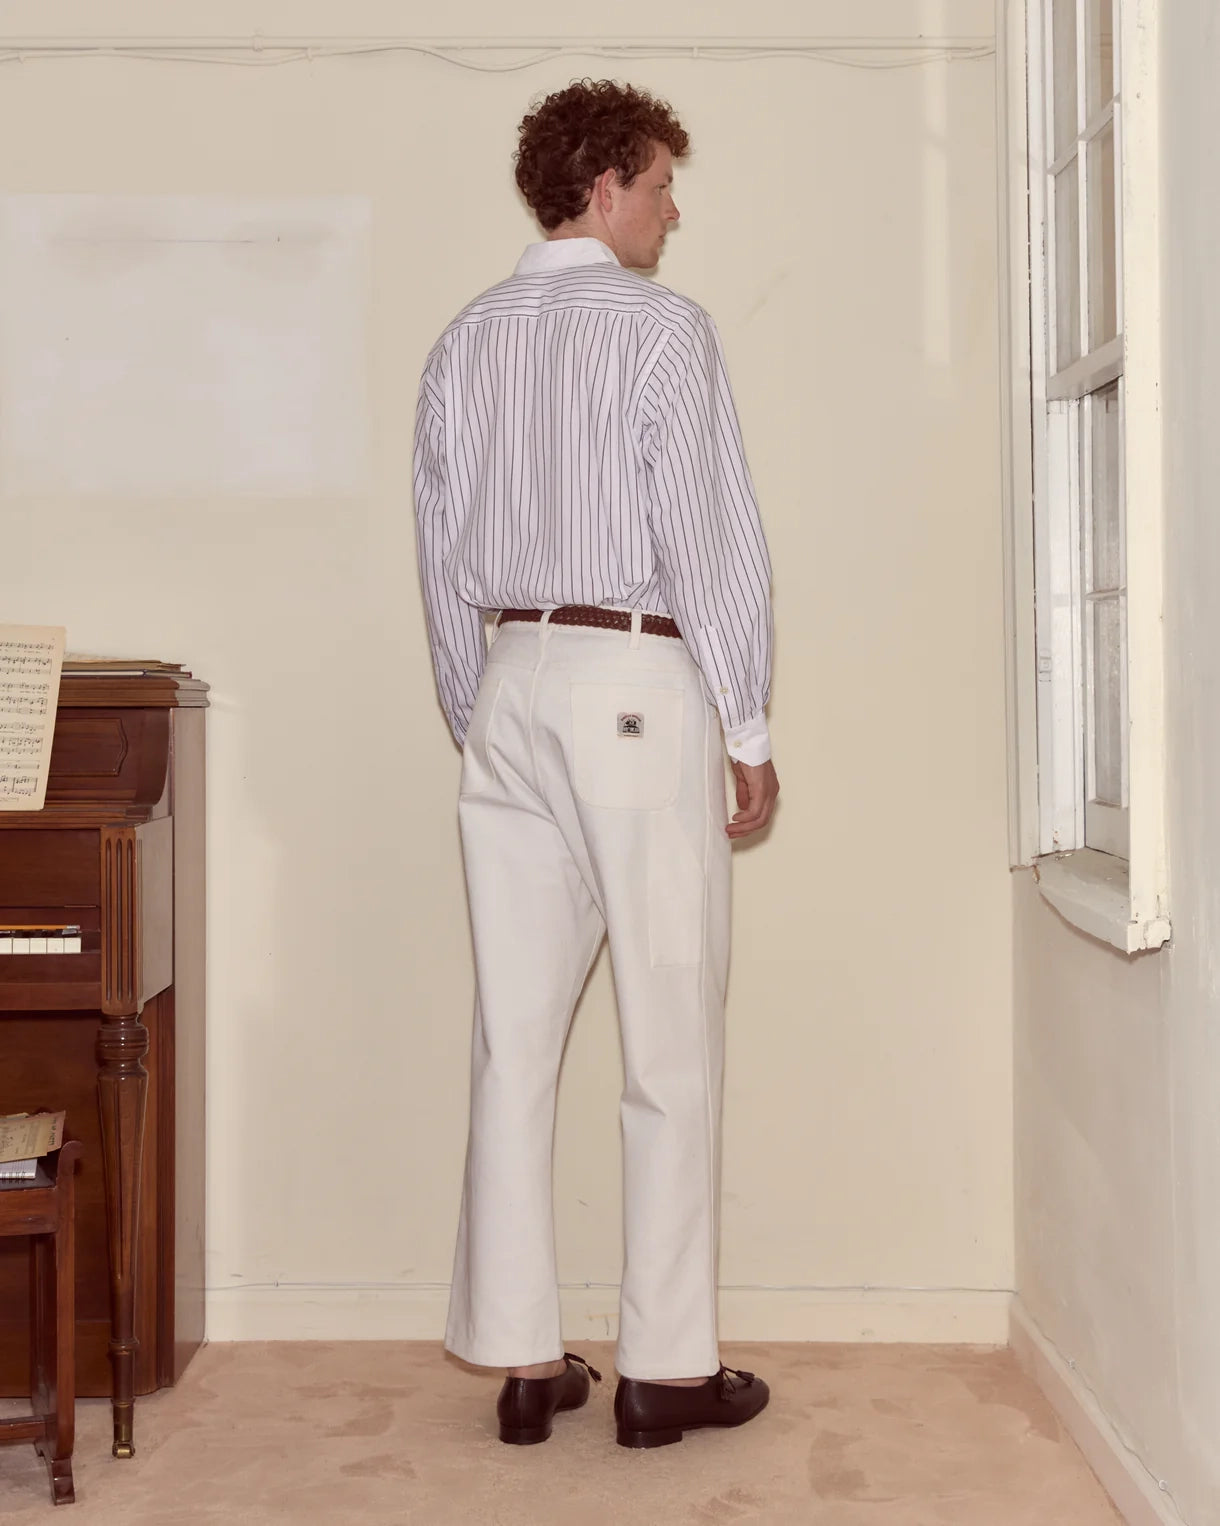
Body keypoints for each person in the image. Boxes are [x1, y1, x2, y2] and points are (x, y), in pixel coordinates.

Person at [412, 78, 779, 1450]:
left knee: (514, 1031)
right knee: (668, 1030)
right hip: (637, 677)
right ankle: (664, 1367)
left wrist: (487, 707)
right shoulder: (663, 332)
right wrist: (746, 724)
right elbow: (712, 540)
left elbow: (443, 555)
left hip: (511, 679)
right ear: (606, 182)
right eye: (666, 182)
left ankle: (522, 1356)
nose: (677, 209)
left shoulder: (465, 340)